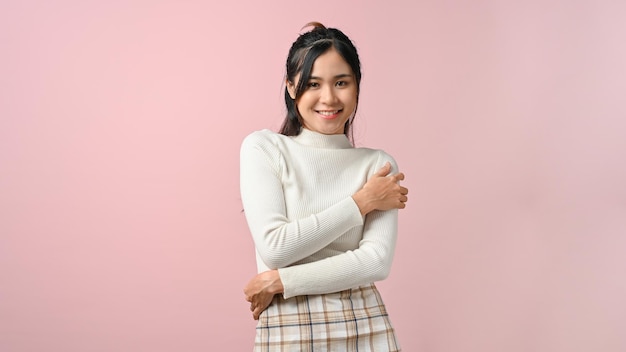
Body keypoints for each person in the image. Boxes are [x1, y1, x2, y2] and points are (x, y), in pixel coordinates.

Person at [240, 22, 409, 351]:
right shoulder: (264, 149)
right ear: (291, 87)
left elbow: (376, 262)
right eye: (313, 84)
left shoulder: (377, 165)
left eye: (341, 82)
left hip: (364, 322)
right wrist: (361, 203)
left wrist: (282, 280)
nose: (329, 98)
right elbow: (276, 247)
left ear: (357, 87)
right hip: (289, 325)